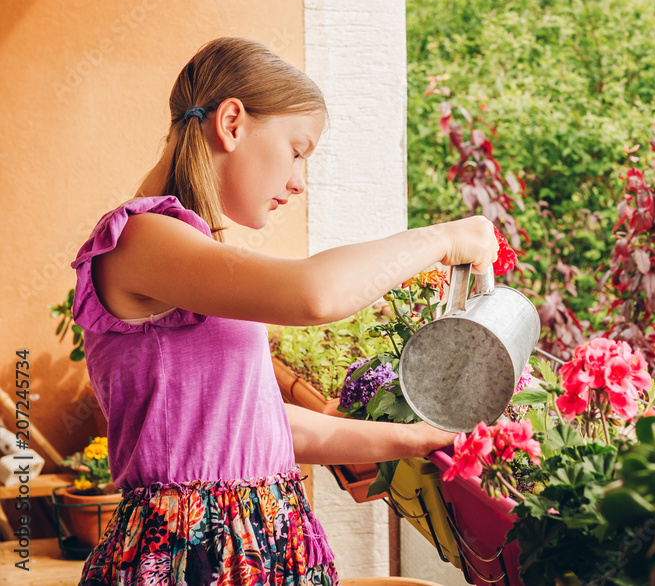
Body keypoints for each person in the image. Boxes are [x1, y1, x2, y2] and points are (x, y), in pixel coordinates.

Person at [70, 37, 499, 585]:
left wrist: (415, 439)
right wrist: (445, 237)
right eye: (298, 150)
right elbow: (313, 295)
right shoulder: (140, 239)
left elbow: (261, 425)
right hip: (193, 561)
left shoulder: (191, 256)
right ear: (231, 123)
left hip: (266, 547)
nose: (299, 180)